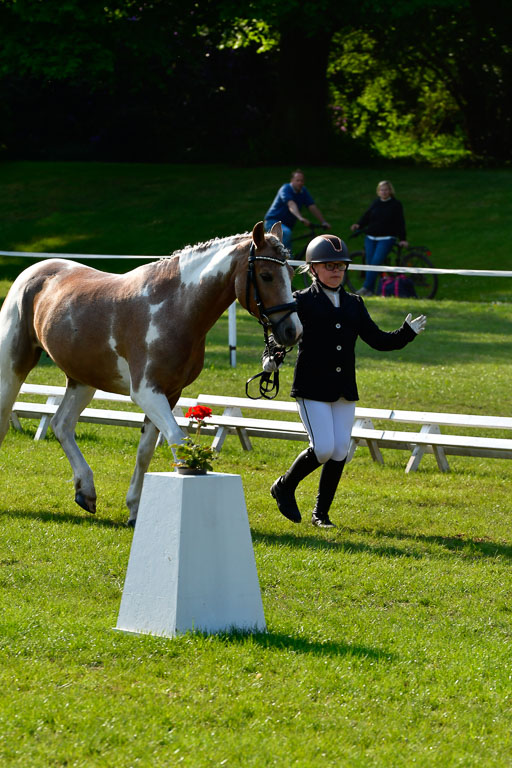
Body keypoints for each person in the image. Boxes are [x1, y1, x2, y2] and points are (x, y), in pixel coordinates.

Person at [265, 233, 426, 529]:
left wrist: (406, 333)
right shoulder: (301, 301)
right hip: (311, 386)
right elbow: (283, 334)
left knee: (340, 451)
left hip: (342, 389)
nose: (336, 271)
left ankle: (320, 514)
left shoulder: (354, 303)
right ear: (313, 268)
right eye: (329, 266)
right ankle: (284, 487)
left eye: (341, 265)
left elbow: (378, 340)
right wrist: (272, 357)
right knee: (324, 448)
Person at [350, 180, 408, 296]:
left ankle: (365, 288)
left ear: (390, 191)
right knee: (370, 263)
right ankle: (370, 290)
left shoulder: (396, 204)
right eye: (382, 190)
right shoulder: (376, 203)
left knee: (376, 262)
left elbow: (400, 222)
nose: (384, 192)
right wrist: (359, 224)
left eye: (386, 189)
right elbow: (367, 216)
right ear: (378, 192)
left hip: (387, 238)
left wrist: (402, 239)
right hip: (371, 237)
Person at [264, 169, 330, 252]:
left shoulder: (303, 191)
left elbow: (312, 207)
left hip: (287, 225)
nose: (300, 183)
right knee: (286, 234)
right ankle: (280, 259)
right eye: (297, 180)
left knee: (288, 245)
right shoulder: (285, 188)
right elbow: (291, 204)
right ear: (292, 180)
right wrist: (300, 218)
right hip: (273, 221)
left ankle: (287, 261)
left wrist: (323, 221)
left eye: (302, 181)